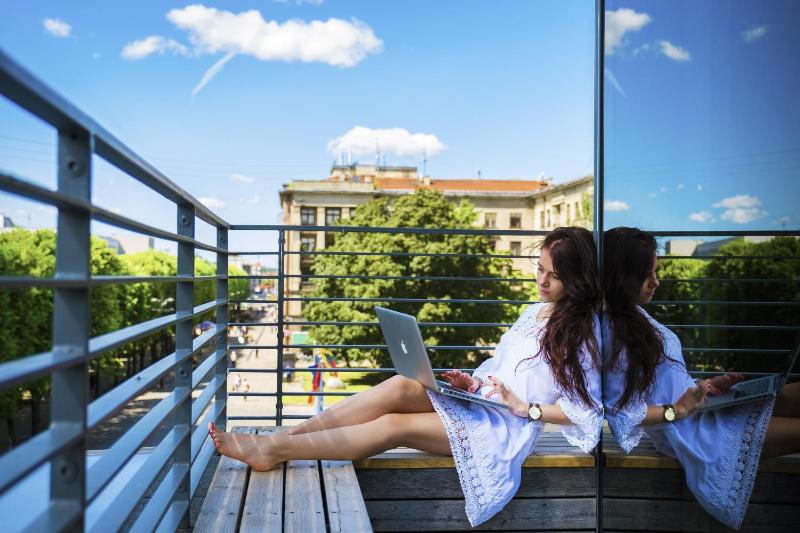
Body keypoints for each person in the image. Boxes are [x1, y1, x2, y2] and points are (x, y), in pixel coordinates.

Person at [210, 226, 603, 527]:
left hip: (502, 428)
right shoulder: (531, 313)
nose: (542, 281)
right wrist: (474, 383)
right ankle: (283, 438)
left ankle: (272, 451)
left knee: (393, 425)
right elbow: (502, 371)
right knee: (402, 384)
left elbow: (586, 412)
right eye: (539, 269)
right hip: (483, 403)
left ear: (578, 279)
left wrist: (525, 407)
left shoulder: (582, 335)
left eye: (554, 275)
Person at [601, 227, 800, 529]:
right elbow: (621, 414)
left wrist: (706, 386)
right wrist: (679, 409)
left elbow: (667, 379)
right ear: (622, 276)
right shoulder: (610, 333)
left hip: (704, 409)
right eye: (647, 275)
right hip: (691, 430)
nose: (656, 281)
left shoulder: (636, 317)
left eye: (656, 271)